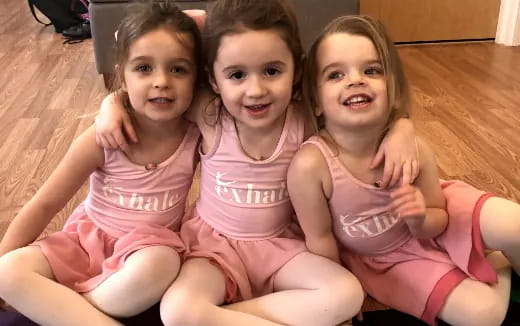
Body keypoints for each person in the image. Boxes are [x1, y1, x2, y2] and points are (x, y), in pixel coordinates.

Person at [95, 1, 420, 325]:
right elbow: (156, 90)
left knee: (347, 293)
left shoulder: (305, 115)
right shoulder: (209, 114)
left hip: (281, 246)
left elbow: (358, 119)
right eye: (237, 75)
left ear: (297, 70)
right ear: (212, 80)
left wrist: (401, 127)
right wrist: (114, 101)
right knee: (177, 311)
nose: (256, 90)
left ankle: (217, 318)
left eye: (272, 71)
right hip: (213, 250)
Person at [287, 15, 520, 326]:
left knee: (516, 224)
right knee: (484, 316)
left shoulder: (413, 147)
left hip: (436, 221)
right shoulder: (311, 166)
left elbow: (440, 216)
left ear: (392, 89)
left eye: (371, 70)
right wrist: (338, 289)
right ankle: (496, 262)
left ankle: (486, 252)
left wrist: (421, 219)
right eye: (335, 75)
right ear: (315, 102)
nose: (355, 80)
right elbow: (320, 239)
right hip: (386, 261)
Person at [0, 2, 202, 325]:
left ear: (198, 78)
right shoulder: (102, 137)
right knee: (7, 271)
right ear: (122, 73)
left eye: (178, 69)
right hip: (85, 244)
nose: (162, 81)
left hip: (145, 253)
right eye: (144, 68)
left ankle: (68, 309)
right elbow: (44, 204)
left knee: (161, 264)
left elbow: (212, 35)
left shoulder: (197, 133)